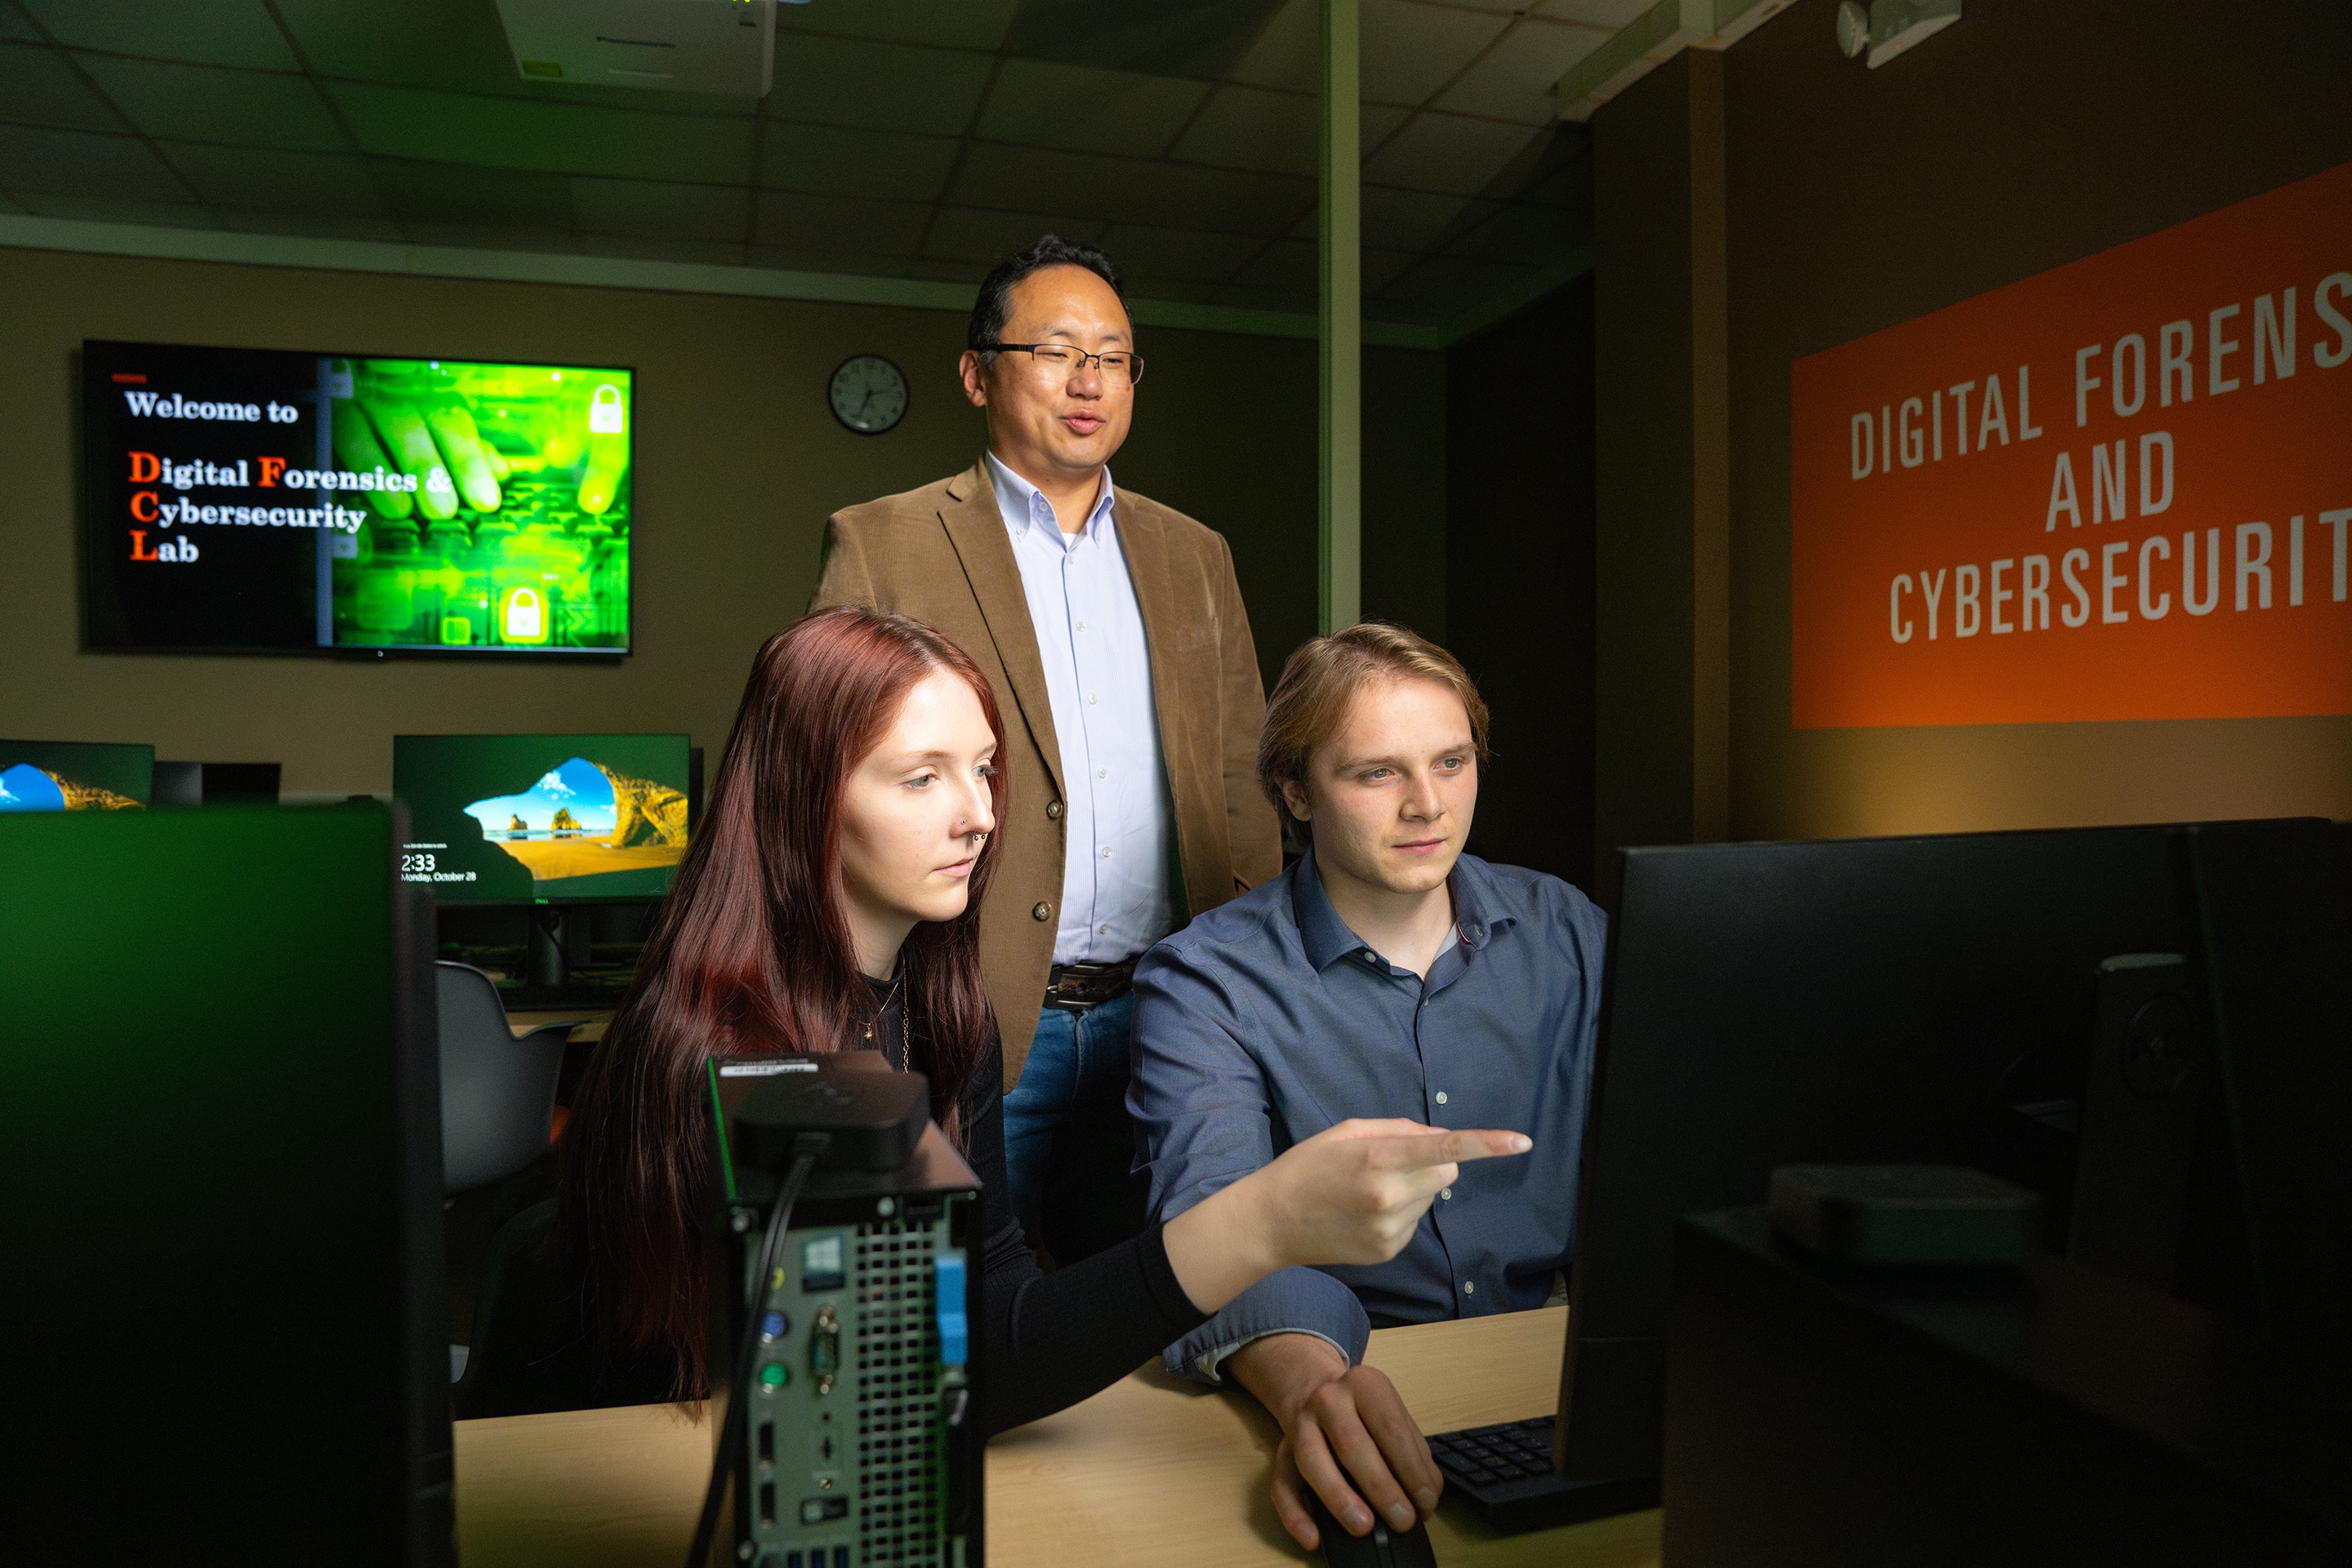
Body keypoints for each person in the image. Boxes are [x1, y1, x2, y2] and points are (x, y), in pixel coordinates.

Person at [554, 607, 1528, 1438]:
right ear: (806, 796)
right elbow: (908, 1391)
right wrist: (1262, 1221)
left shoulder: (944, 1008)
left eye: (983, 768)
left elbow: (993, 1299)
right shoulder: (740, 1055)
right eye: (920, 777)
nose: (979, 814)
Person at [809, 235, 1281, 1258]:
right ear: (978, 374)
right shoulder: (885, 542)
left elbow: (1243, 779)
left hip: (1169, 1012)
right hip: (968, 1015)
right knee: (967, 1315)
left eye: (1114, 357)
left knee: (1144, 1309)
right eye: (1058, 351)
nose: (1090, 382)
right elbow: (826, 777)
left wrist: (1245, 979)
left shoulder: (1194, 554)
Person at [1127, 622, 1609, 1551]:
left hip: (1548, 1379)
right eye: (1376, 773)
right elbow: (1207, 1231)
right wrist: (1316, 1387)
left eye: (1452, 761)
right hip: (1352, 1378)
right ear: (1296, 792)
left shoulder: (1569, 934)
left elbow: (1651, 1172)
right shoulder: (1204, 982)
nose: (1428, 805)